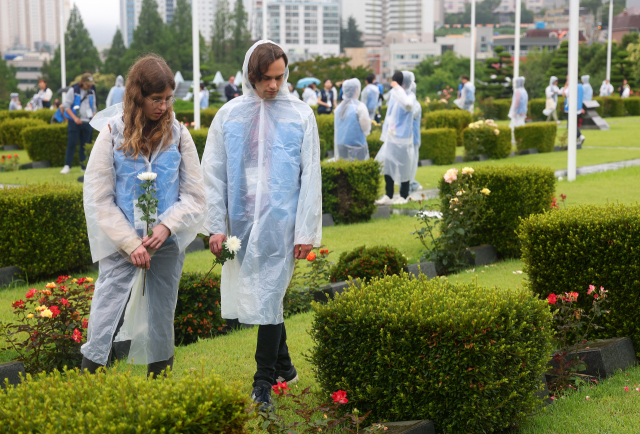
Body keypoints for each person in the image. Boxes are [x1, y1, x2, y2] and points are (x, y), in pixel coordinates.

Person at [202, 40, 322, 410]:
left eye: (280, 77)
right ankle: (285, 367)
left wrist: (306, 231)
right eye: (266, 78)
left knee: (270, 293)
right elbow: (213, 174)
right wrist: (215, 226)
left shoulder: (300, 115)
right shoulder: (229, 116)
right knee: (265, 297)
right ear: (251, 75)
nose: (273, 85)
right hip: (241, 223)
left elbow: (310, 174)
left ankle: (263, 382)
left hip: (282, 225)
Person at [81, 55, 206, 378]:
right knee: (106, 312)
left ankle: (159, 384)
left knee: (162, 315)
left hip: (164, 244)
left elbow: (194, 195)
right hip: (122, 245)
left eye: (168, 99)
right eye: (156, 99)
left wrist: (166, 227)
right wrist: (129, 242)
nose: (163, 107)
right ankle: (88, 383)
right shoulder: (112, 133)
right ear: (138, 96)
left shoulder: (179, 135)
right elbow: (100, 199)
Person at [374, 70, 416, 205]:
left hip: (403, 139)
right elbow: (390, 115)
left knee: (404, 167)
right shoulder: (395, 94)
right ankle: (389, 194)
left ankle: (404, 195)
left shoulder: (410, 96)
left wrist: (398, 89)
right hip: (392, 137)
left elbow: (408, 105)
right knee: (388, 166)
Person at [60, 73, 97, 174]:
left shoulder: (92, 92)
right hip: (74, 122)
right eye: (87, 84)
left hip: (87, 122)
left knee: (85, 146)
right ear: (82, 82)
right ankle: (67, 166)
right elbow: (66, 106)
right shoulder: (73, 90)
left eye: (90, 83)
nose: (89, 86)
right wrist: (75, 118)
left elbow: (93, 107)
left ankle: (84, 167)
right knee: (71, 144)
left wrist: (93, 117)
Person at [334, 78, 371, 161]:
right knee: (358, 166)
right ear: (357, 90)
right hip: (357, 144)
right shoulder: (360, 106)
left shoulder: (339, 107)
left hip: (340, 144)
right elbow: (366, 127)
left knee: (343, 166)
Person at [564, 75, 585, 145]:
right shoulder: (580, 85)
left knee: (570, 125)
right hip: (578, 108)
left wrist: (566, 84)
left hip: (570, 108)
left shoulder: (572, 85)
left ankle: (580, 136)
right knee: (574, 124)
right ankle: (575, 139)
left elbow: (564, 93)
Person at [409, 81, 422, 193]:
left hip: (413, 139)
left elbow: (409, 116)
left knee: (412, 164)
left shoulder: (416, 105)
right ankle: (412, 184)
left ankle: (411, 184)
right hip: (405, 139)